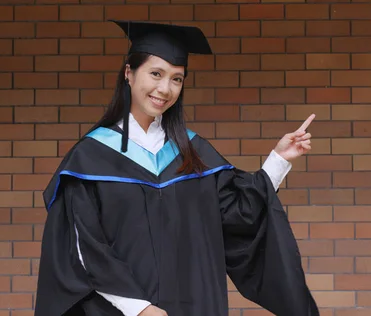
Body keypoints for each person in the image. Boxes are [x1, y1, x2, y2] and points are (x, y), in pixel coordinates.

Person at [34, 19, 320, 316]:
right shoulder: (90, 158)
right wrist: (140, 308)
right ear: (129, 73)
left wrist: (279, 159)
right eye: (156, 74)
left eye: (176, 79)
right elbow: (83, 248)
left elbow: (239, 216)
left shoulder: (193, 154)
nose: (165, 88)